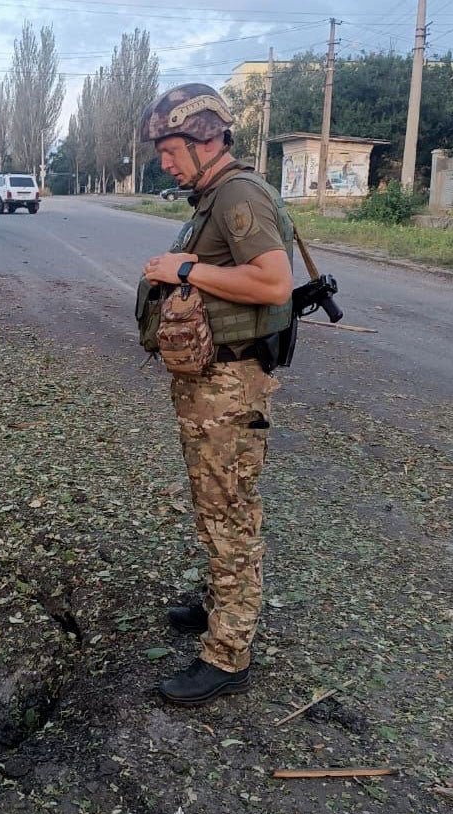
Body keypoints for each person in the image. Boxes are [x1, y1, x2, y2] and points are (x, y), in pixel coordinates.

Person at [138, 84, 294, 707]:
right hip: (211, 386)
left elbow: (274, 281)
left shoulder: (237, 195)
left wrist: (183, 270)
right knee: (214, 504)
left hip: (230, 387)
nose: (166, 163)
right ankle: (216, 609)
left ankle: (229, 653)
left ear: (206, 141)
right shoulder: (211, 195)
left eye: (172, 151)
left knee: (228, 510)